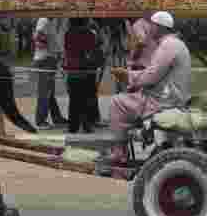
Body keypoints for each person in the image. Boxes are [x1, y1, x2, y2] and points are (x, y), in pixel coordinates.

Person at [106, 11, 191, 166]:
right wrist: (131, 76)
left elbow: (151, 76)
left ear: (159, 27)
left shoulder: (168, 45)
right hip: (169, 97)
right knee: (129, 97)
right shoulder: (175, 44)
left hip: (162, 101)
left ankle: (119, 151)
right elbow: (153, 73)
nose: (149, 28)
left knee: (117, 102)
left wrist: (127, 76)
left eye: (151, 25)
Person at [63, 17, 103, 134]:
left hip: (72, 69)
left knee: (74, 99)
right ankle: (87, 124)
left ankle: (73, 126)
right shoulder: (90, 33)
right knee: (87, 99)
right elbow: (93, 49)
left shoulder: (68, 34)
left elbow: (67, 49)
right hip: (87, 69)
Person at [32, 17, 69, 129]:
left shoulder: (51, 21)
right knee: (45, 91)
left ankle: (56, 118)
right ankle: (40, 120)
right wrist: (51, 50)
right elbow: (38, 37)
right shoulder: (44, 20)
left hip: (49, 58)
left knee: (49, 91)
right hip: (46, 59)